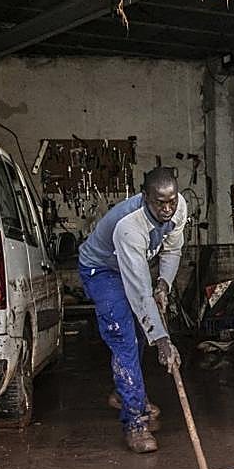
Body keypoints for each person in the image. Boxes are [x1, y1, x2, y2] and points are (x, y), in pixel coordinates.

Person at [78, 167, 187, 453]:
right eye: (159, 203)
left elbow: (172, 249)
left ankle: (124, 394)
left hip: (131, 265)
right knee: (123, 338)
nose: (167, 209)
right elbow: (139, 292)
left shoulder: (179, 208)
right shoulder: (129, 225)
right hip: (101, 270)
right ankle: (135, 423)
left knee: (139, 335)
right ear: (144, 197)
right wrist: (163, 341)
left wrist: (163, 284)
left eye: (172, 201)